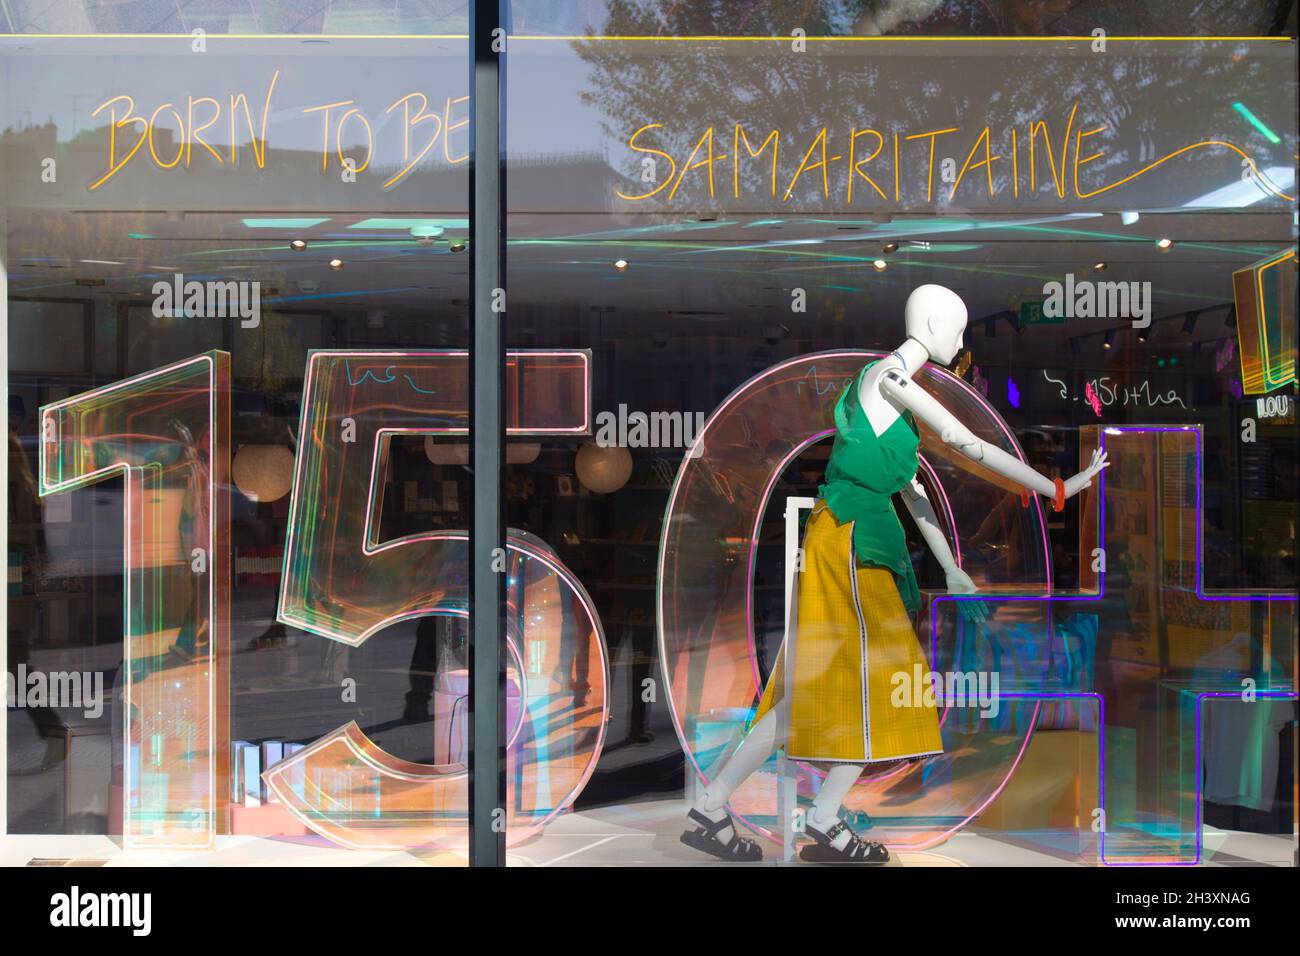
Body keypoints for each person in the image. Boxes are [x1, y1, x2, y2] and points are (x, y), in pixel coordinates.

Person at [680, 284, 1109, 863]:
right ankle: (798, 817)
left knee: (829, 689)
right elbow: (966, 443)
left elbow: (913, 492)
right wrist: (1056, 488)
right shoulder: (890, 379)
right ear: (932, 324)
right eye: (957, 330)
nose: (960, 343)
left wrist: (952, 567)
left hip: (857, 539)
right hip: (852, 542)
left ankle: (753, 811)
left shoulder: (889, 401)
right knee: (872, 681)